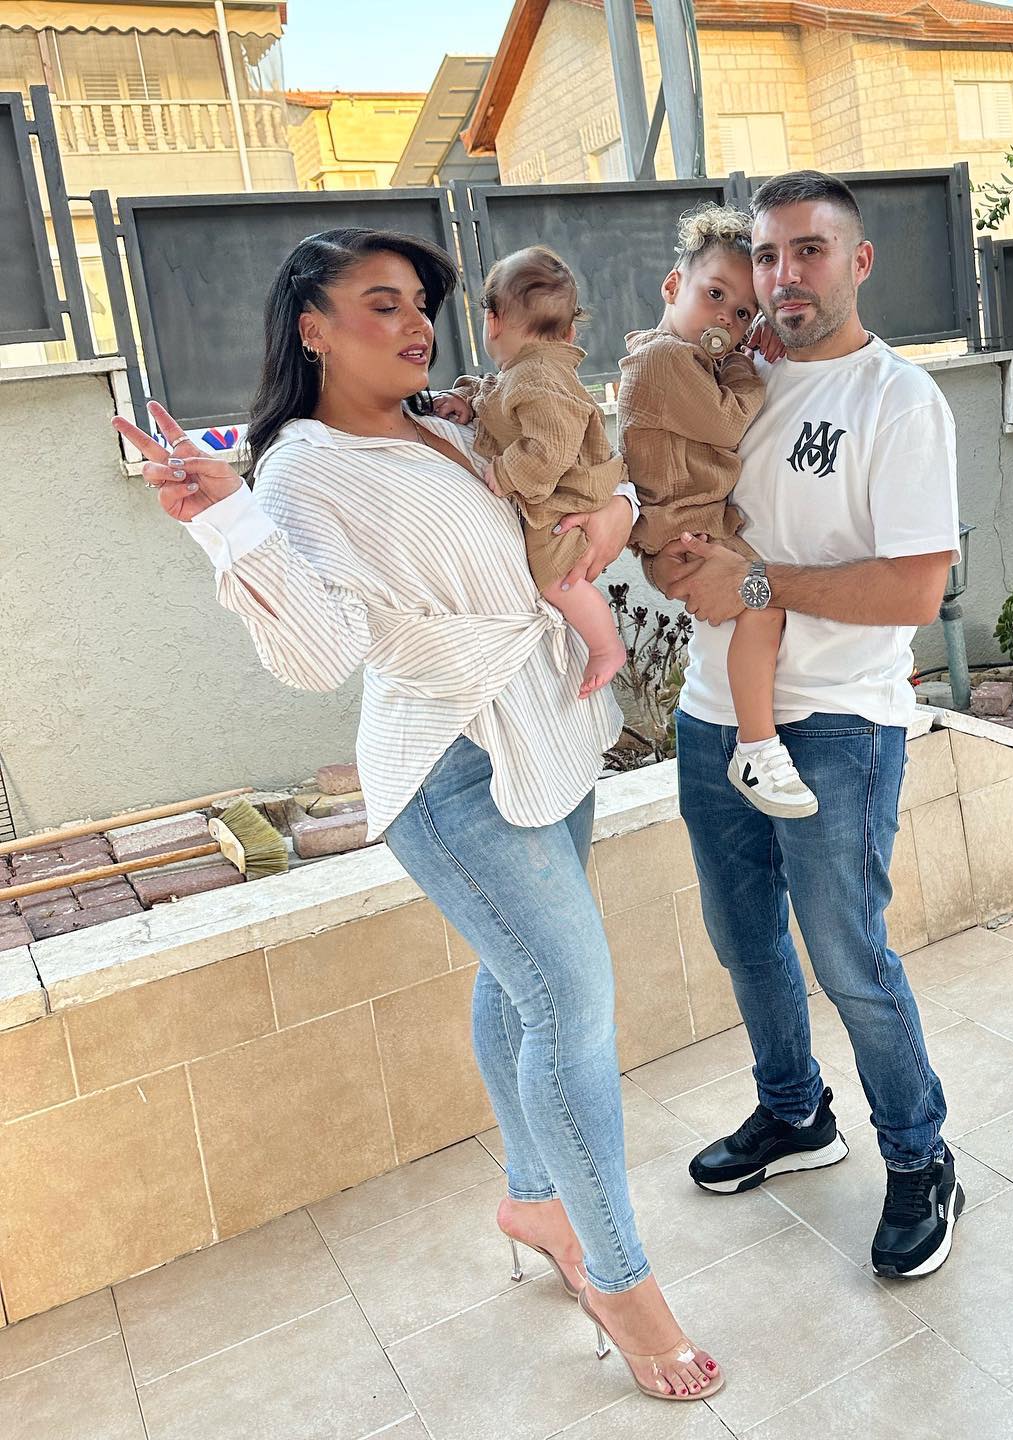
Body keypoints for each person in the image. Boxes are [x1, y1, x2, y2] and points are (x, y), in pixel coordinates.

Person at [113, 227, 722, 1402]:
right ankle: (624, 1282)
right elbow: (319, 654)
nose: (414, 324)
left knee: (519, 984)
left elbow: (560, 499)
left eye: (421, 304)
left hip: (545, 730)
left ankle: (536, 1204)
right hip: (453, 767)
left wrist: (611, 511)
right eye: (381, 303)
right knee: (572, 1009)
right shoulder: (301, 473)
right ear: (312, 328)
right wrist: (226, 522)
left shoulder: (444, 426)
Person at [654, 172, 964, 1279]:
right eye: (768, 255)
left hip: (838, 724)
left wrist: (753, 584)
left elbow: (917, 589)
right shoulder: (727, 375)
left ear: (858, 261)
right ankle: (794, 1114)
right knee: (743, 939)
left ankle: (921, 1155)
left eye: (809, 251)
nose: (784, 276)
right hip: (711, 713)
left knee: (847, 955)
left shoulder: (897, 401)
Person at [620, 204, 817, 819]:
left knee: (764, 607)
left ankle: (756, 740)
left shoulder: (681, 360)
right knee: (765, 602)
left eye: (743, 314)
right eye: (714, 296)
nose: (726, 320)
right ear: (672, 286)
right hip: (684, 532)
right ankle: (756, 748)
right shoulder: (664, 361)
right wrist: (745, 363)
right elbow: (730, 422)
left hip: (691, 526)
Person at [432, 246, 626, 699]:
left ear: (493, 320)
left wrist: (506, 473)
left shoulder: (535, 376)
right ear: (569, 330)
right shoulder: (528, 371)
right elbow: (501, 402)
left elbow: (549, 446)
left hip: (568, 495)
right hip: (567, 488)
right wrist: (468, 402)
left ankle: (606, 646)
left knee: (556, 578)